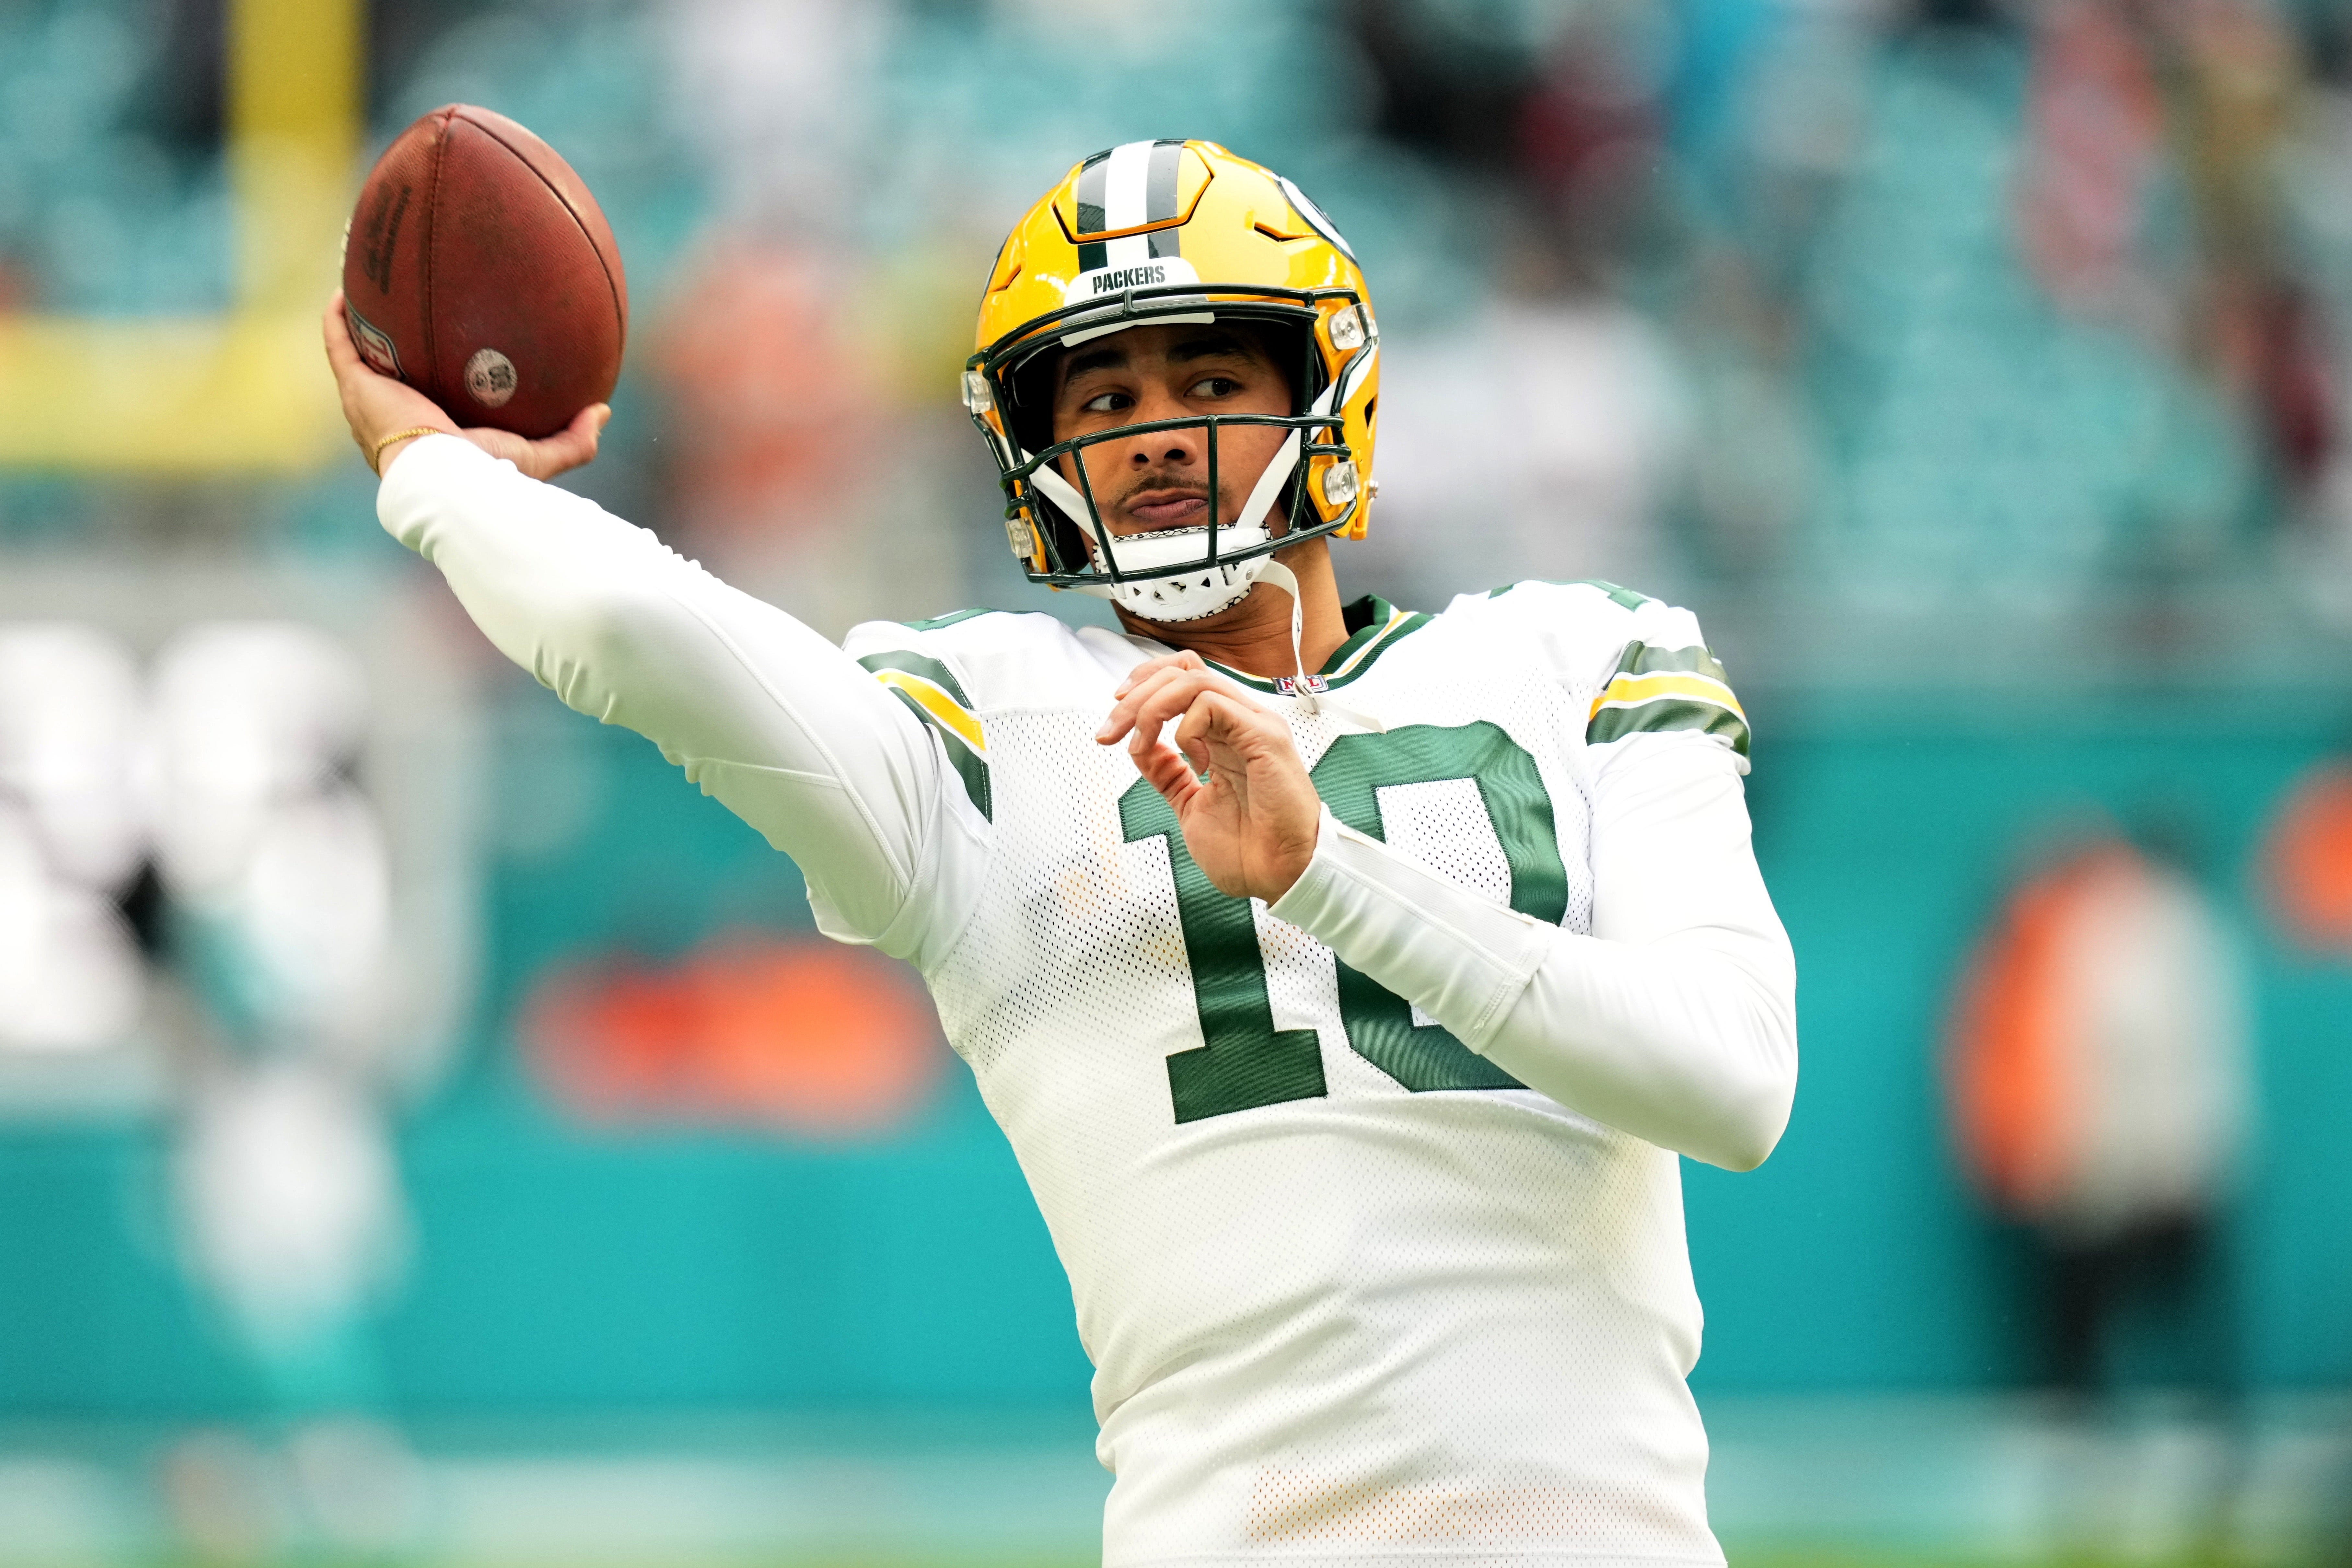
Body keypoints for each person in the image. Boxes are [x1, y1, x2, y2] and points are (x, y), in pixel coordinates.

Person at [323, 139, 1797, 1567]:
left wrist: (1326, 872)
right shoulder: (987, 719)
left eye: (1211, 377)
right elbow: (637, 633)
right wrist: (444, 478)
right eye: (1102, 398)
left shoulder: (1584, 653)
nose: (1156, 431)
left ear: (1324, 392)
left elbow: (1730, 1083)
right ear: (1039, 452)